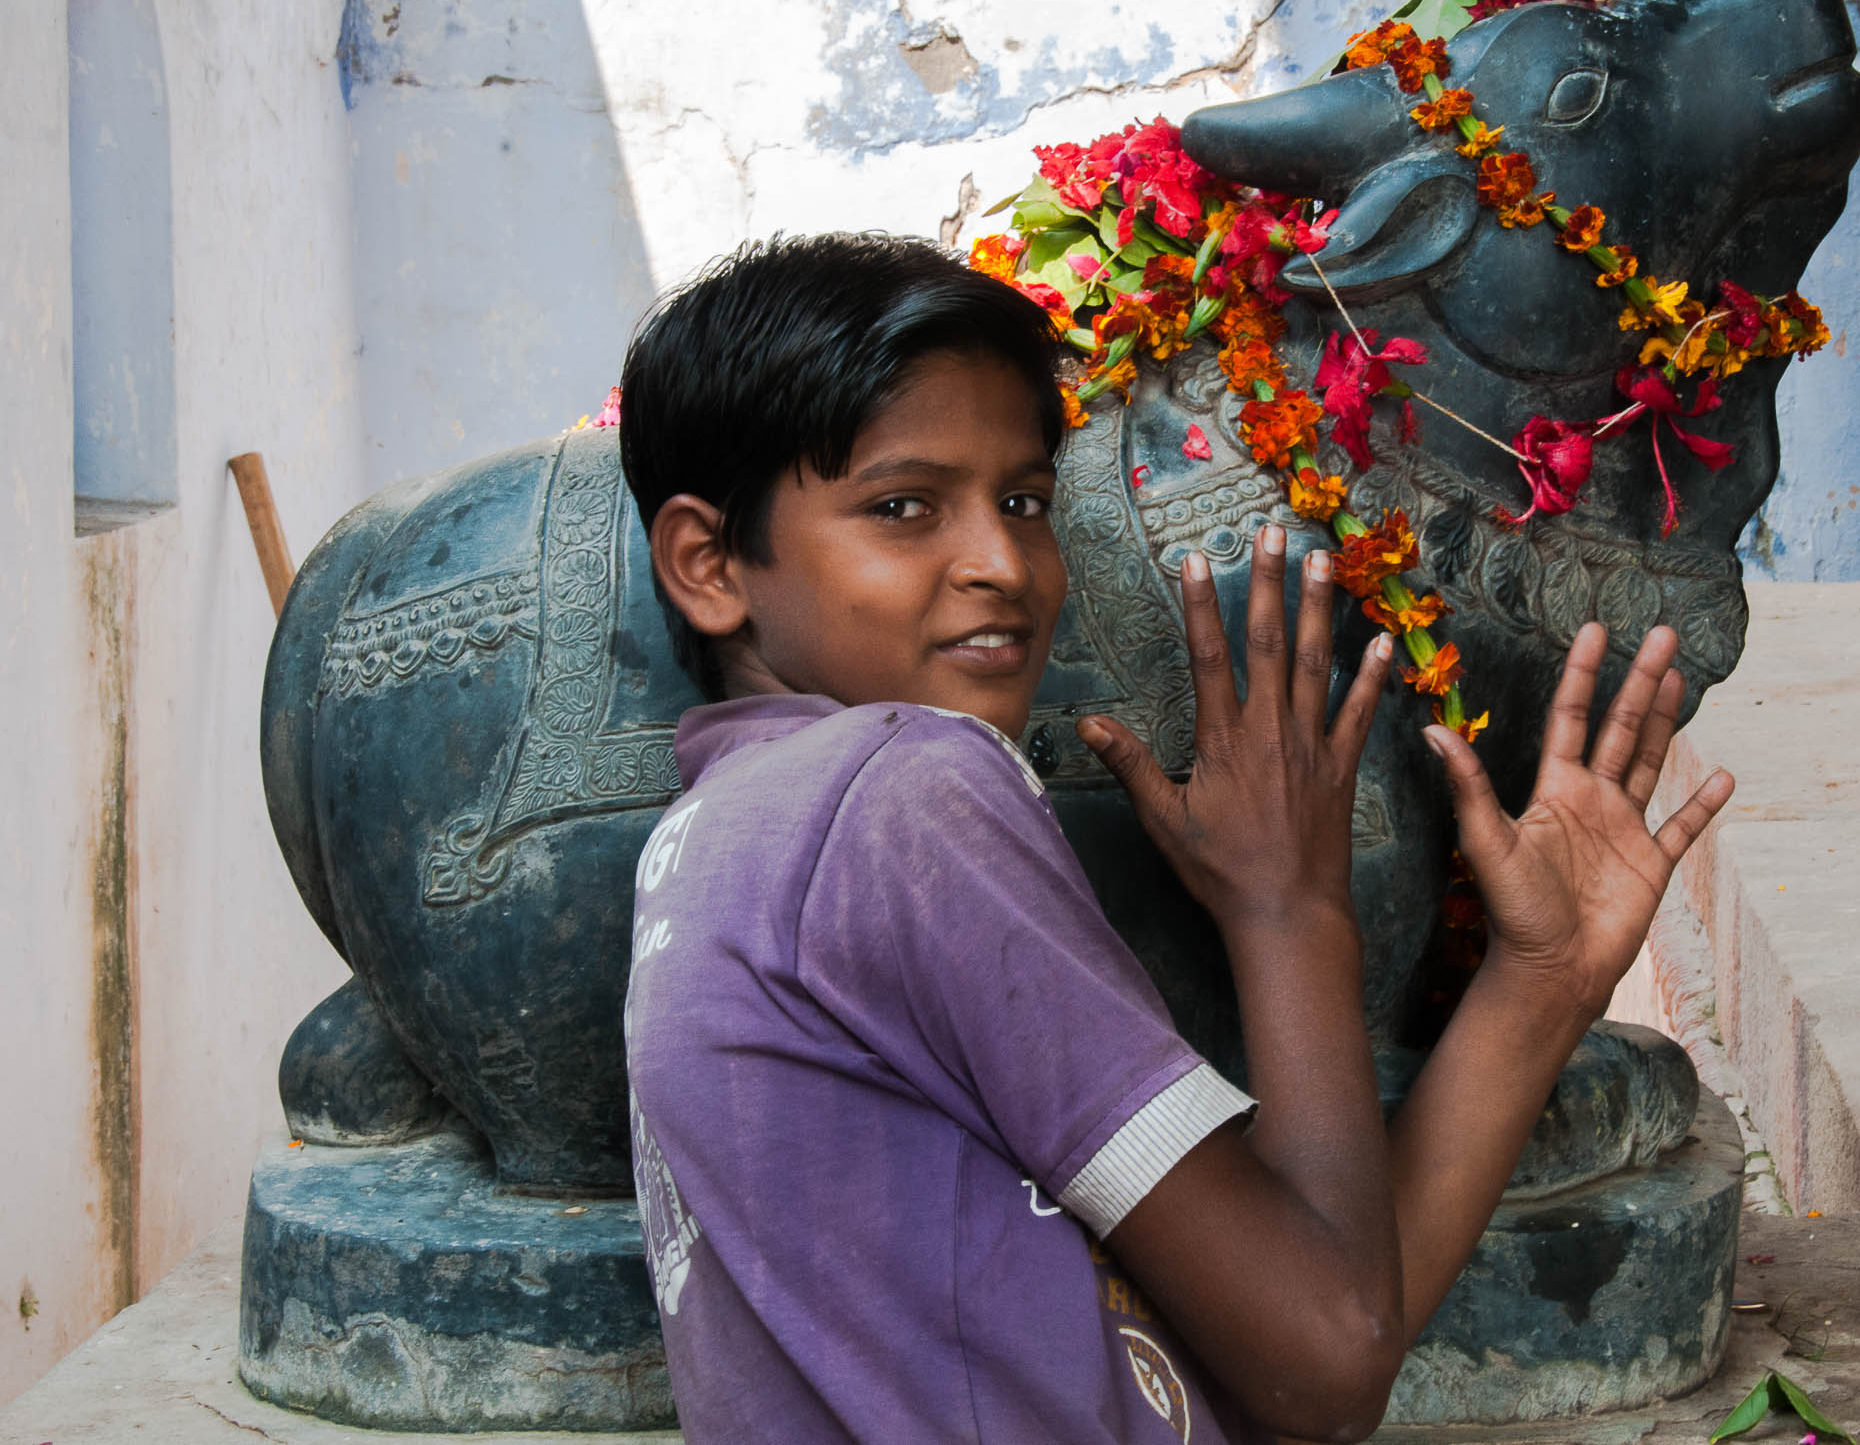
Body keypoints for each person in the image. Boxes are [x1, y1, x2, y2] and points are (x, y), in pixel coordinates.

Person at [616, 232, 1735, 1444]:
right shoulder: (901, 791)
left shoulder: (713, 837)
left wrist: (1542, 981)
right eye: (901, 508)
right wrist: (1289, 912)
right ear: (708, 563)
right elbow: (1326, 1364)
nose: (1000, 563)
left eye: (1025, 501)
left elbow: (1317, 1312)